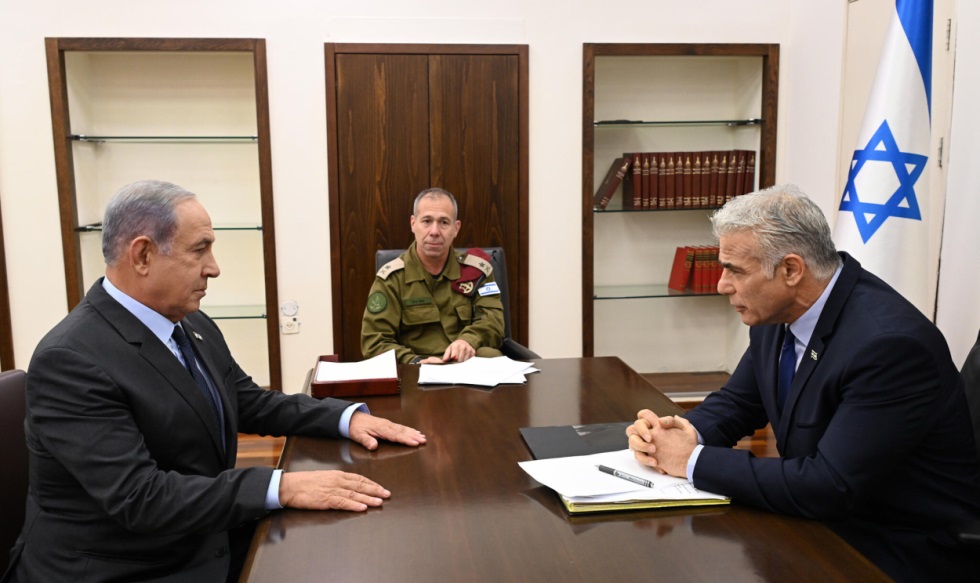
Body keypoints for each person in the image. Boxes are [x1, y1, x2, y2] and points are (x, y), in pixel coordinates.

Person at [3, 180, 427, 583]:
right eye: (199, 250)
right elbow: (141, 497)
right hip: (129, 566)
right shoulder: (70, 359)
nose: (215, 268)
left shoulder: (190, 321)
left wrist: (344, 419)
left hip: (197, 534)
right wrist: (283, 484)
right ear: (143, 256)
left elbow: (246, 400)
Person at [627, 184, 980, 581]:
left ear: (791, 270)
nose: (722, 285)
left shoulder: (889, 346)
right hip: (822, 522)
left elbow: (829, 485)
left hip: (897, 546)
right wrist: (680, 433)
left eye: (735, 271)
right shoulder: (779, 311)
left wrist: (690, 459)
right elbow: (739, 402)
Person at [361, 187, 505, 364]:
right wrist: (415, 362)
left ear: (456, 228)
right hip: (416, 373)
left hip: (468, 365)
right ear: (413, 224)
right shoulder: (391, 278)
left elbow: (494, 322)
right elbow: (374, 342)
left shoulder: (478, 272)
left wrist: (468, 340)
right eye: (427, 221)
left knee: (491, 357)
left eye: (444, 222)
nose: (435, 231)